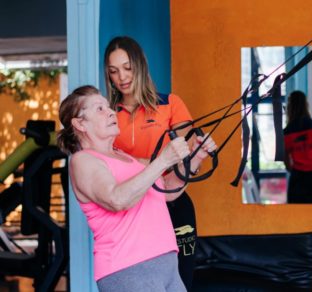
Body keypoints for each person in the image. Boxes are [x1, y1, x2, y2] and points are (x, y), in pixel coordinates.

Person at [57, 85, 217, 292]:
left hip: (166, 263)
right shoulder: (83, 161)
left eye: (108, 107)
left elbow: (167, 190)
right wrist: (162, 160)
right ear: (80, 123)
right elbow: (117, 199)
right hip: (128, 268)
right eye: (99, 109)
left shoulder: (126, 158)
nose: (111, 112)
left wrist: (196, 157)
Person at [103, 36, 198, 290]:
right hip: (133, 211)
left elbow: (184, 156)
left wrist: (135, 161)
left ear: (140, 66)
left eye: (127, 68)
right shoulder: (108, 116)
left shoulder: (170, 104)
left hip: (174, 202)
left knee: (181, 282)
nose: (121, 77)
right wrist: (155, 161)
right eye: (113, 71)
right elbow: (104, 162)